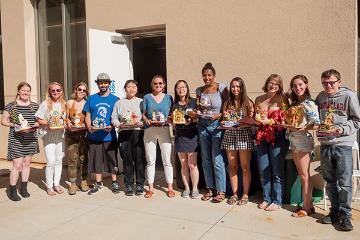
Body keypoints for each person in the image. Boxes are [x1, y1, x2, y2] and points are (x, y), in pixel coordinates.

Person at [316, 69, 360, 231]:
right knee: (330, 181)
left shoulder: (349, 96)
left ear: (339, 82)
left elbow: (356, 120)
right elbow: (314, 117)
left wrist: (341, 130)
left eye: (331, 82)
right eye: (324, 83)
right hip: (326, 144)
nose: (328, 86)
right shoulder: (321, 97)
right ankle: (334, 211)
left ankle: (346, 215)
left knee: (345, 183)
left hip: (343, 145)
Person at [286, 75, 320, 217]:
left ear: (306, 85)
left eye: (300, 84)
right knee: (303, 175)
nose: (297, 88)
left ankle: (306, 208)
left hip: (303, 142)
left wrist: (303, 128)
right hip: (294, 142)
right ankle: (309, 205)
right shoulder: (294, 103)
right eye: (294, 85)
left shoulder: (309, 103)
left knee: (305, 176)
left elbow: (316, 123)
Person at [255, 74, 289, 211]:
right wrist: (257, 119)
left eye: (276, 84)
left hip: (278, 136)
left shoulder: (283, 99)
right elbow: (256, 116)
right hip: (262, 136)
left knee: (277, 170)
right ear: (267, 83)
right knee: (264, 168)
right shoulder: (259, 99)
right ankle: (266, 198)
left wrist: (271, 121)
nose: (273, 86)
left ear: (280, 86)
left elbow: (287, 119)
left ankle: (277, 200)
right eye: (271, 82)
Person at [194, 62, 228, 203]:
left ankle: (220, 191)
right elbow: (198, 107)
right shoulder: (199, 90)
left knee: (217, 159)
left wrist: (219, 116)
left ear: (214, 75)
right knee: (206, 159)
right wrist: (196, 112)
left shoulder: (221, 88)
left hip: (216, 127)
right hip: (202, 126)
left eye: (209, 75)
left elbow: (228, 107)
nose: (207, 78)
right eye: (204, 75)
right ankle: (210, 188)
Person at [1, 82, 39, 201]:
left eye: (27, 91)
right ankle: (12, 190)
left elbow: (39, 121)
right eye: (23, 90)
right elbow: (3, 121)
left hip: (31, 138)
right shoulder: (11, 106)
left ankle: (24, 188)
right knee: (17, 165)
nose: (25, 93)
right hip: (16, 138)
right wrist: (15, 125)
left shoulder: (34, 106)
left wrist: (37, 124)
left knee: (27, 164)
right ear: (18, 91)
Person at [84, 73, 120, 195]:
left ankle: (114, 182)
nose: (103, 85)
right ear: (97, 84)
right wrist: (89, 127)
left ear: (109, 84)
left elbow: (118, 118)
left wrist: (112, 126)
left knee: (112, 160)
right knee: (96, 160)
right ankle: (98, 183)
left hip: (109, 135)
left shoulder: (115, 99)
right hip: (94, 136)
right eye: (100, 82)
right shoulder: (91, 98)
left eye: (105, 82)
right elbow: (87, 115)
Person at [220, 77, 255, 205]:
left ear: (242, 88)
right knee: (232, 166)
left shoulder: (248, 102)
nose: (235, 89)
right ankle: (234, 194)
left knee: (245, 167)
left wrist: (242, 124)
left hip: (244, 135)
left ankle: (245, 194)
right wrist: (224, 122)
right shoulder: (227, 103)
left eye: (238, 86)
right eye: (233, 86)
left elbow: (252, 122)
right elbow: (225, 120)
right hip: (230, 135)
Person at [111, 80, 146, 196]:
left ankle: (140, 184)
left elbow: (146, 117)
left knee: (139, 159)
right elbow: (114, 118)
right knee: (127, 160)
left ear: (137, 89)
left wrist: (140, 123)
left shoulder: (142, 101)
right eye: (128, 87)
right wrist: (119, 125)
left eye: (133, 87)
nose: (131, 89)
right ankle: (129, 185)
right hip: (124, 133)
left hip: (138, 132)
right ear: (125, 89)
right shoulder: (119, 103)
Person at [142, 75, 174, 198]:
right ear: (152, 85)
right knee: (151, 161)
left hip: (164, 129)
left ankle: (170, 187)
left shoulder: (168, 98)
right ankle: (150, 188)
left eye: (160, 83)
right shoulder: (146, 97)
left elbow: (172, 114)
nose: (158, 86)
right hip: (150, 130)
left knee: (167, 161)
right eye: (155, 83)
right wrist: (147, 120)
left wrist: (168, 120)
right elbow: (144, 115)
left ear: (164, 85)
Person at [35, 82, 67, 196]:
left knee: (59, 161)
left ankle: (56, 184)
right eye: (53, 90)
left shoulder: (64, 104)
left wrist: (66, 124)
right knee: (50, 162)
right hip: (48, 136)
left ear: (61, 91)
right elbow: (39, 119)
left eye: (58, 90)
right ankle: (49, 186)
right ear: (49, 92)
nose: (56, 92)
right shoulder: (45, 104)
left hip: (60, 136)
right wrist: (49, 123)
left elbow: (66, 120)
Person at [171, 80, 200, 199]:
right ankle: (187, 188)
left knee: (192, 164)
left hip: (192, 135)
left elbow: (199, 117)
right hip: (180, 136)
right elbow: (172, 120)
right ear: (176, 90)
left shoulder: (194, 102)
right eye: (178, 87)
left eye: (183, 87)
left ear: (187, 88)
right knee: (183, 164)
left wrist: (192, 119)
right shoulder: (174, 105)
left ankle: (195, 188)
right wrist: (171, 120)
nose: (181, 89)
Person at [65, 82, 89, 195]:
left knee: (84, 158)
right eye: (80, 89)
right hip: (72, 134)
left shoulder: (87, 103)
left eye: (84, 90)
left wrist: (87, 126)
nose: (82, 92)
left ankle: (83, 181)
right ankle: (73, 183)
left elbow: (89, 118)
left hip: (84, 134)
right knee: (72, 159)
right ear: (75, 90)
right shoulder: (70, 103)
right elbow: (65, 117)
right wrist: (68, 122)